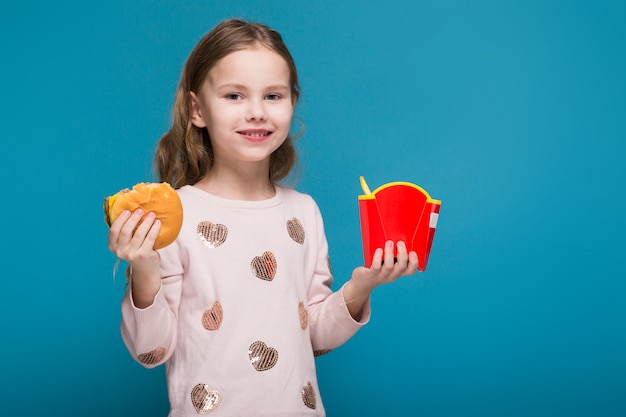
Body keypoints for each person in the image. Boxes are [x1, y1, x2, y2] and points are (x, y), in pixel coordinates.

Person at [107, 18, 419, 416]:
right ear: (197, 109)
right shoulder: (177, 216)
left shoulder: (304, 212)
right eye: (234, 96)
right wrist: (144, 268)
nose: (256, 112)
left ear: (292, 102)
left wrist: (361, 287)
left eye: (273, 96)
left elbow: (315, 336)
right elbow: (151, 352)